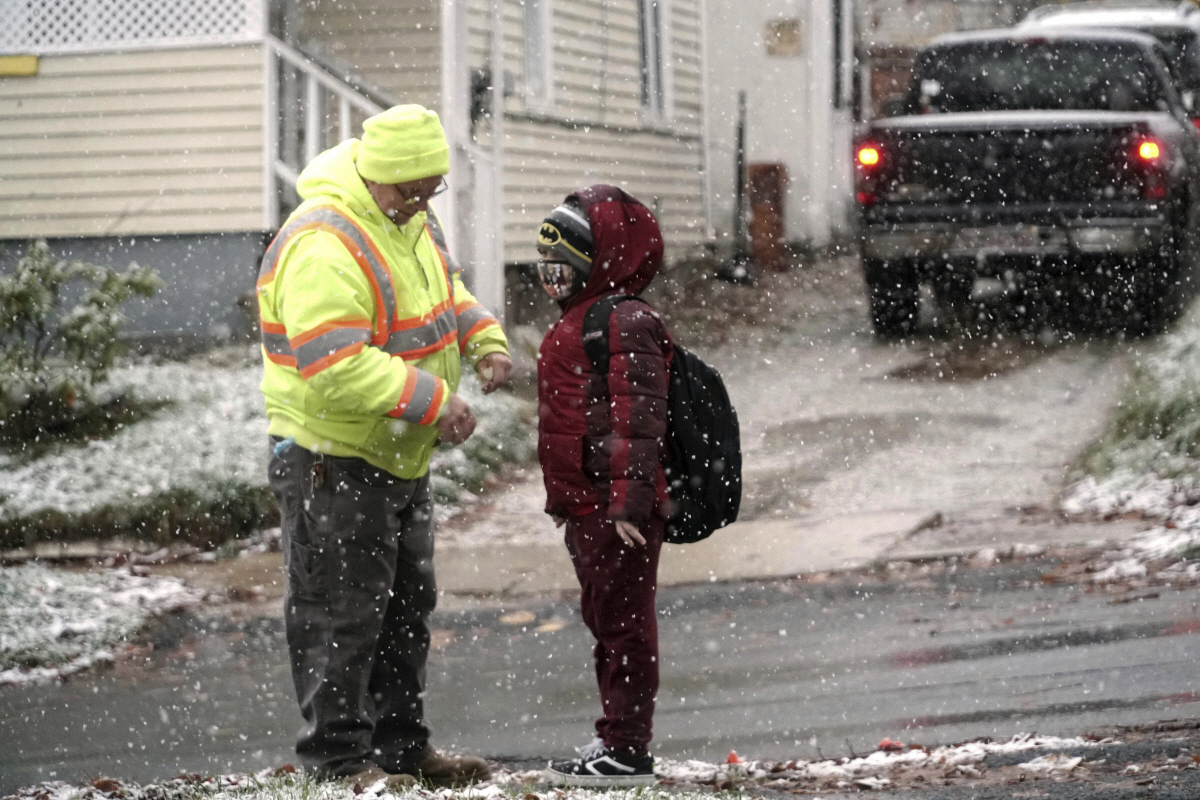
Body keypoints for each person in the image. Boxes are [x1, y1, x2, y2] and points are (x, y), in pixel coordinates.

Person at [255, 104, 512, 788]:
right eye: (415, 190)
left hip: (395, 452)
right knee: (341, 614)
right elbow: (333, 361)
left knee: (403, 611)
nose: (425, 203)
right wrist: (433, 401)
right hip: (331, 458)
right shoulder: (323, 242)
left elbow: (443, 292)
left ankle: (402, 752)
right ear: (381, 178)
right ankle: (340, 763)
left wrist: (483, 338)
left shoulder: (408, 222)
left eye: (434, 189)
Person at [534, 185, 673, 787]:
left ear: (600, 262)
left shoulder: (622, 320)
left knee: (623, 626)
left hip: (615, 507)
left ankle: (626, 749)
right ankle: (616, 738)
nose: (550, 279)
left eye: (562, 267)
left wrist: (628, 503)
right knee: (607, 620)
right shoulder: (583, 319)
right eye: (543, 268)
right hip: (588, 505)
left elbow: (639, 420)